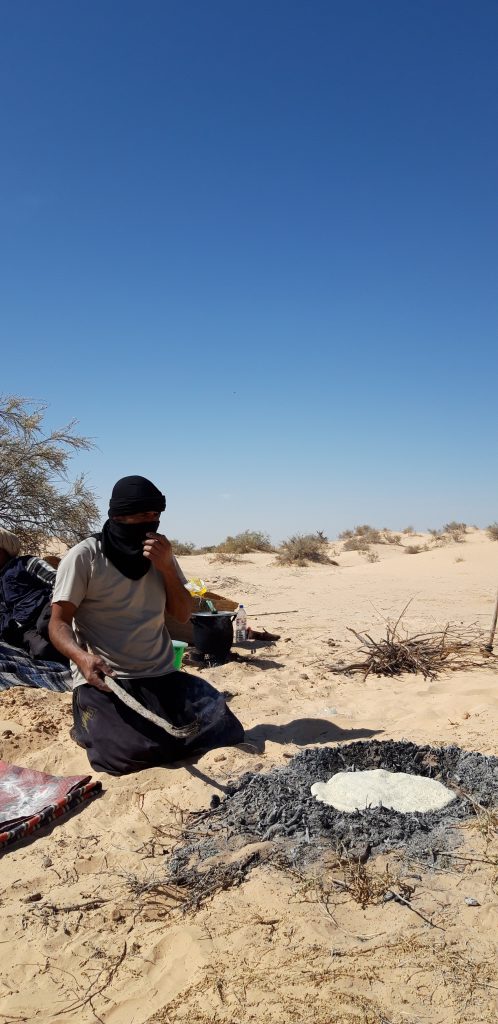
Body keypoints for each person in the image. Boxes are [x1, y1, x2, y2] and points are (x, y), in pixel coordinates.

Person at [49, 475, 244, 774]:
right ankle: (88, 726)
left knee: (224, 726)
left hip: (161, 675)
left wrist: (165, 568)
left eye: (155, 516)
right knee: (127, 757)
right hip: (108, 680)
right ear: (117, 516)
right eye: (141, 516)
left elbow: (181, 614)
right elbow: (58, 623)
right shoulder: (85, 556)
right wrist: (82, 658)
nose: (150, 524)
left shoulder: (161, 555)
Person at [0, 528, 63, 661]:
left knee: (46, 625)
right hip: (25, 627)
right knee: (43, 651)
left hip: (46, 610)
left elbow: (59, 581)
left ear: (3, 550)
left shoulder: (26, 563)